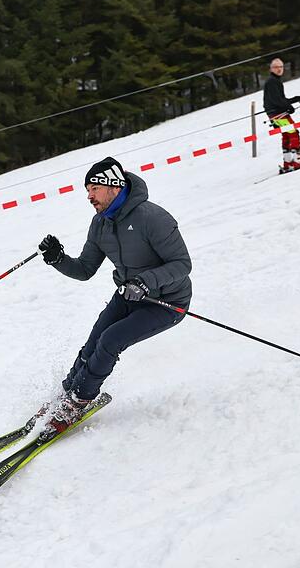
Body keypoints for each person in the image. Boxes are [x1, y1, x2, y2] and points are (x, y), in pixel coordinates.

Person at [38, 157, 192, 433]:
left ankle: (79, 400)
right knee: (94, 341)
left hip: (166, 302)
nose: (89, 196)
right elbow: (85, 269)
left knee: (110, 340)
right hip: (128, 295)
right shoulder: (100, 224)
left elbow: (182, 264)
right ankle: (67, 393)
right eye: (88, 190)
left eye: (94, 188)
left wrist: (144, 282)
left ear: (114, 186)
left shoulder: (152, 217)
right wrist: (58, 259)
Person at [263, 57, 300, 173]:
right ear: (271, 69)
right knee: (293, 133)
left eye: (281, 67)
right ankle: (297, 161)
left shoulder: (274, 81)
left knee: (287, 135)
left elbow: (280, 99)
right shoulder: (273, 81)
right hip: (278, 114)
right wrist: (288, 107)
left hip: (274, 113)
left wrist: (296, 99)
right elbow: (276, 100)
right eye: (276, 67)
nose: (279, 69)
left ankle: (288, 163)